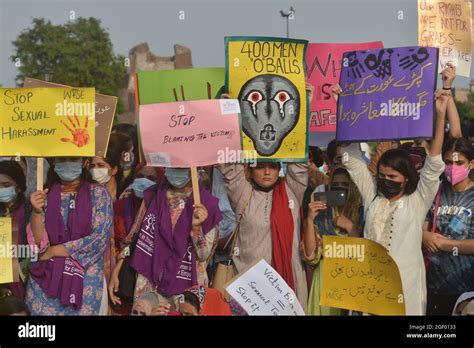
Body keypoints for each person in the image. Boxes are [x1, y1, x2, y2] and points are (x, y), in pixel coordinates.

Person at [333, 84, 449, 315]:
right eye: (382, 175)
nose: (386, 180)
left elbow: (433, 164)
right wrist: (342, 108)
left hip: (405, 292)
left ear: (405, 178)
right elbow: (353, 159)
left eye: (392, 176)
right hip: (371, 288)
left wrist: (440, 115)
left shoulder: (417, 201)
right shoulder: (374, 196)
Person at [111, 168, 221, 313]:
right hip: (149, 279)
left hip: (188, 283)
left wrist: (196, 228)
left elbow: (203, 255)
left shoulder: (206, 204)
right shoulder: (153, 195)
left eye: (181, 168)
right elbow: (133, 237)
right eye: (172, 166)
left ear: (194, 170)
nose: (176, 171)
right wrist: (116, 271)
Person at [25, 157, 113, 315]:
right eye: (62, 159)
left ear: (84, 162)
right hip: (46, 277)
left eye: (73, 159)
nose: (67, 163)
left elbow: (99, 238)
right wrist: (36, 212)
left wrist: (54, 251)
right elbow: (39, 244)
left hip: (84, 276)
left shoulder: (99, 193)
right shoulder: (43, 194)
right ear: (53, 162)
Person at [218, 161, 309, 312]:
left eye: (273, 167)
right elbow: (230, 167)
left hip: (286, 283)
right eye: (260, 167)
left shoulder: (292, 190)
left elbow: (299, 162)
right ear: (250, 169)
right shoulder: (243, 193)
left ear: (280, 168)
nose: (267, 172)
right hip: (251, 287)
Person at [423, 137, 474, 315]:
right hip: (430, 285)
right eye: (448, 162)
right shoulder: (436, 190)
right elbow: (422, 227)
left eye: (459, 162)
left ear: (471, 163)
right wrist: (425, 236)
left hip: (465, 290)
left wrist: (444, 245)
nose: (453, 167)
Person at [304, 165, 364, 315]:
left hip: (349, 280)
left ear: (353, 187)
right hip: (324, 281)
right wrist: (310, 220)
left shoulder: (360, 212)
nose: (340, 188)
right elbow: (311, 256)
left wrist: (350, 227)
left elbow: (361, 254)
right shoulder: (322, 213)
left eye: (345, 184)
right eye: (335, 184)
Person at [0, 160, 31, 300]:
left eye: (6, 185)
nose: (1, 189)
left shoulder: (30, 211)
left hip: (25, 279)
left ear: (18, 187)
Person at [89, 133, 129, 202]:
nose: (95, 170)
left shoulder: (125, 194)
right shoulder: (88, 194)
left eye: (101, 165)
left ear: (114, 170)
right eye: (92, 166)